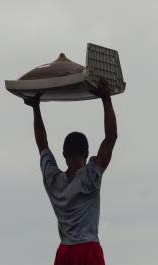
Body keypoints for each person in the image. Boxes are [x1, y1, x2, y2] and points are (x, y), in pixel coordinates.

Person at [24, 79, 117, 265]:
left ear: (64, 154)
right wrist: (106, 98)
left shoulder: (53, 180)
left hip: (65, 252)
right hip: (88, 250)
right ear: (87, 153)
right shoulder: (90, 177)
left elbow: (42, 145)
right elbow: (110, 137)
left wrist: (35, 107)